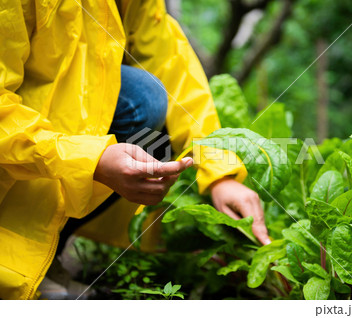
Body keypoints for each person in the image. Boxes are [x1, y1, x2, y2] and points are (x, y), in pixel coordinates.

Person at [0, 0, 271, 300]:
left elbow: (174, 69)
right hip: (17, 138)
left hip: (53, 128)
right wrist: (92, 160)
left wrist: (220, 174)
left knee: (154, 120)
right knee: (144, 103)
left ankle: (48, 258)